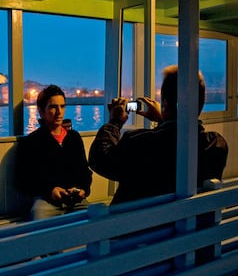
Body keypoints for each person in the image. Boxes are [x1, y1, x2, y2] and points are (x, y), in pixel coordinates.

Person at [89, 65, 228, 205]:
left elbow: (99, 160)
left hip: (138, 224)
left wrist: (114, 122)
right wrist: (163, 119)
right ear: (202, 103)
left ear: (165, 104)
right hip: (188, 221)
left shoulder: (139, 142)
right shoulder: (216, 143)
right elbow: (175, 141)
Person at [16, 84, 92, 220]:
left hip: (75, 200)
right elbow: (24, 179)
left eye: (62, 106)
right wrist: (50, 190)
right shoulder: (31, 142)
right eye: (53, 107)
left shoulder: (74, 137)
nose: (59, 112)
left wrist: (83, 190)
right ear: (41, 111)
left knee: (96, 218)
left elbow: (84, 171)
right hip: (47, 201)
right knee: (39, 218)